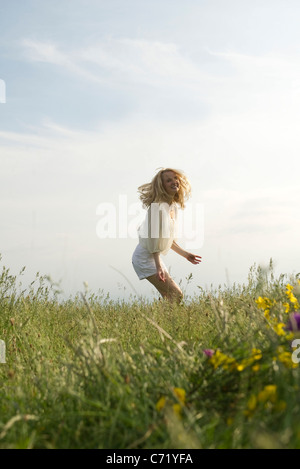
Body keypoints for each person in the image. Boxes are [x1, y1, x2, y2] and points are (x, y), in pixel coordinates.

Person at [132, 167, 202, 303]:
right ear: (162, 186)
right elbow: (154, 241)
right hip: (145, 258)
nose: (174, 182)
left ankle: (160, 323)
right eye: (169, 180)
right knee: (177, 295)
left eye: (175, 178)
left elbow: (168, 240)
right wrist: (158, 266)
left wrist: (186, 255)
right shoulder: (156, 207)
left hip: (152, 256)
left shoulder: (172, 207)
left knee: (169, 298)